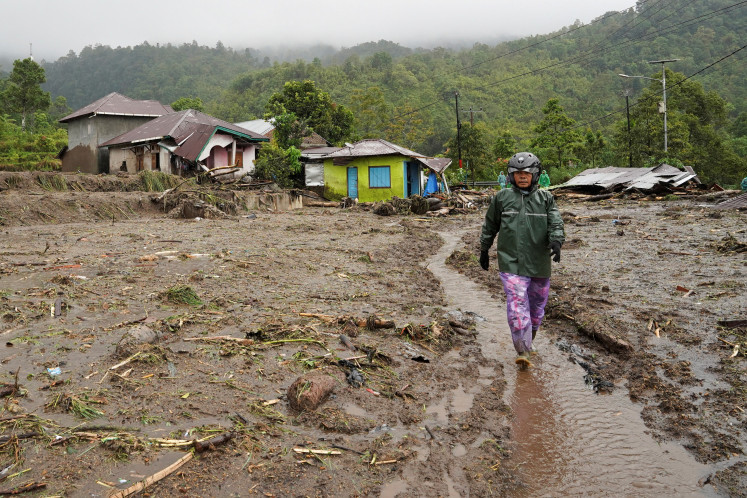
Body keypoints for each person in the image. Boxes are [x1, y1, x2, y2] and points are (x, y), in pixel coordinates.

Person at [479, 152, 565, 368]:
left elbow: (556, 222)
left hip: (539, 262)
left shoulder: (546, 199)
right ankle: (523, 351)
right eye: (518, 173)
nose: (522, 177)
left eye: (527, 173)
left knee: (536, 309)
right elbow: (490, 225)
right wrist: (484, 248)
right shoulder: (501, 198)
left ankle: (529, 341)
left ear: (535, 174)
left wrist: (556, 241)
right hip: (511, 261)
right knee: (517, 305)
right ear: (511, 176)